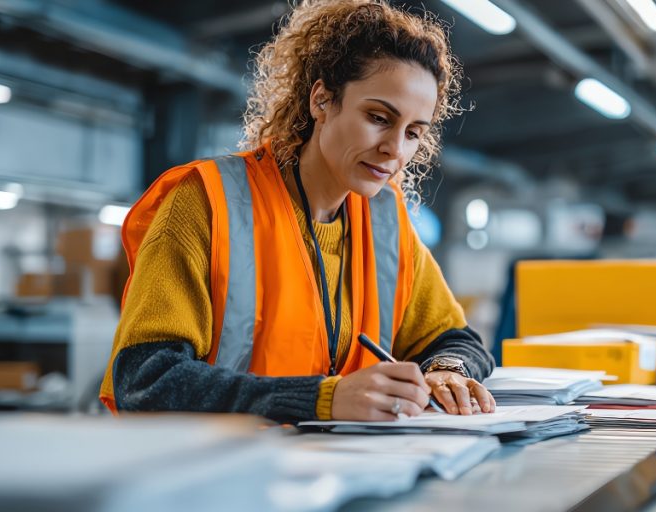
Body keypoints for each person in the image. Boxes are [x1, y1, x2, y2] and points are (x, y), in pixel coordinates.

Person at [98, 0, 496, 423]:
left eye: (414, 133)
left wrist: (447, 372)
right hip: (213, 475)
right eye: (379, 117)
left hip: (335, 473)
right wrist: (322, 399)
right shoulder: (207, 203)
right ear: (322, 100)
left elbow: (457, 339)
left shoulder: (384, 223)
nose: (396, 150)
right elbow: (144, 381)